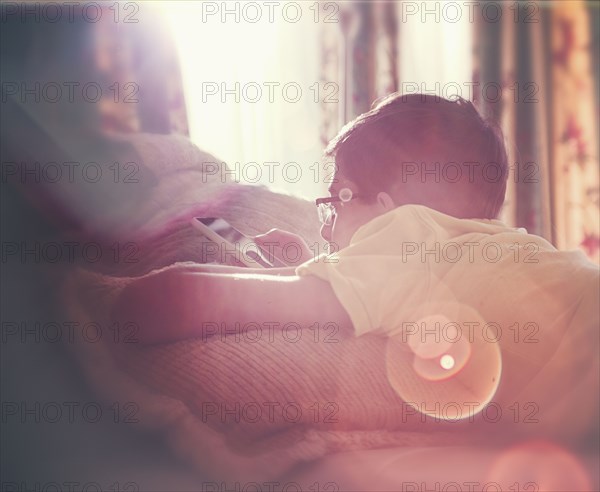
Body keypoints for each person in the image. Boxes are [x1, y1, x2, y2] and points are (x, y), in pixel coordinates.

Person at [111, 93, 598, 382]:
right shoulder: (484, 252)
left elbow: (183, 299)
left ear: (387, 210)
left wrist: (104, 310)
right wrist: (304, 269)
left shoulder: (405, 236)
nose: (324, 223)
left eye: (335, 200)